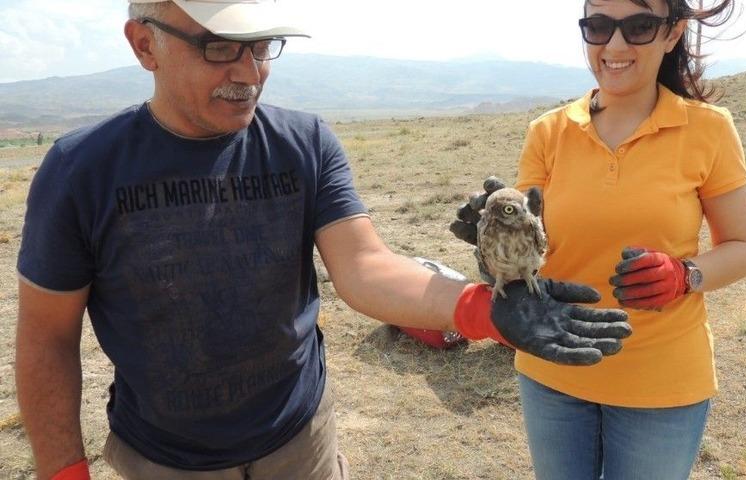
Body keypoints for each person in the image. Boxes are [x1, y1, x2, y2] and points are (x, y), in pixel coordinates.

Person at [14, 1, 634, 479]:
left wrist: (481, 309)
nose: (249, 72)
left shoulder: (303, 144)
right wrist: (64, 471)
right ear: (145, 44)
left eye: (261, 47)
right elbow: (46, 337)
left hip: (301, 444)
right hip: (163, 460)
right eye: (219, 47)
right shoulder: (81, 171)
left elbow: (364, 267)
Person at [450, 0, 746, 478]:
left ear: (672, 33)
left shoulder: (709, 129)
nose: (614, 44)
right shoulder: (548, 132)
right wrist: (491, 252)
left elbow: (745, 248)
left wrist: (685, 275)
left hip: (661, 381)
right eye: (598, 26)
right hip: (552, 366)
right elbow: (532, 242)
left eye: (639, 26)